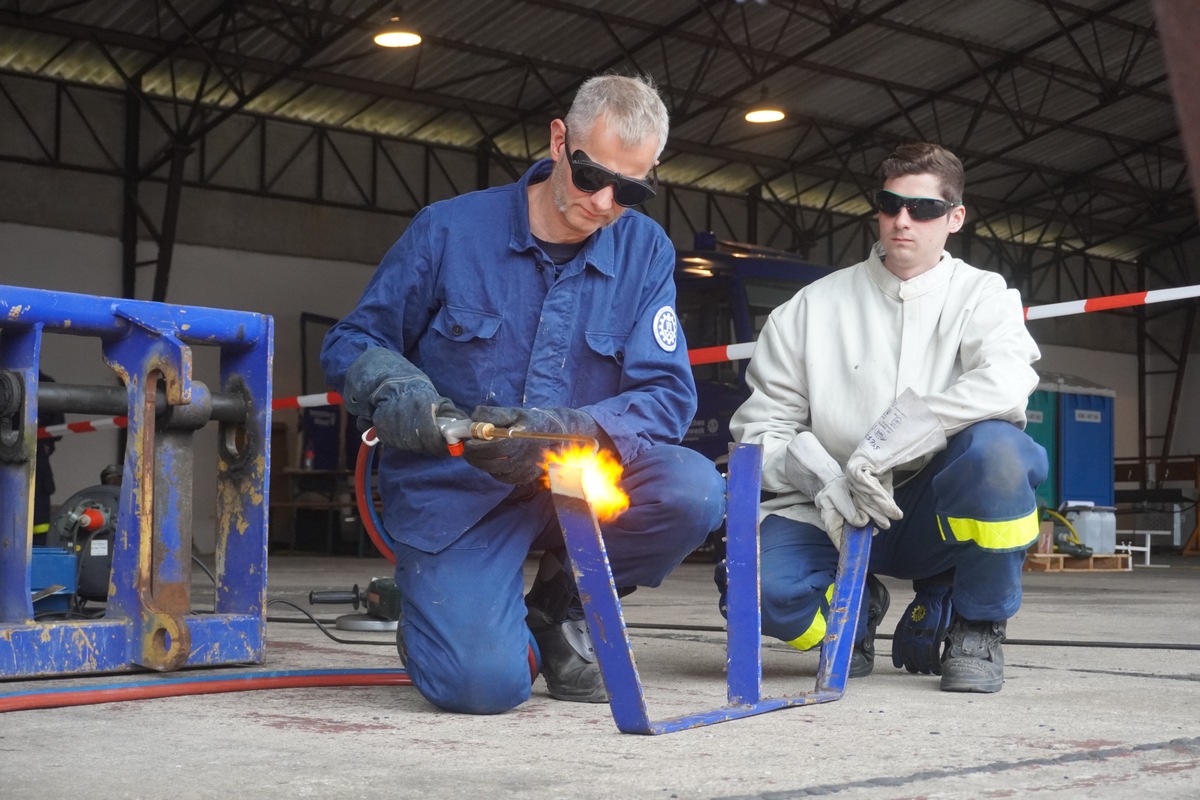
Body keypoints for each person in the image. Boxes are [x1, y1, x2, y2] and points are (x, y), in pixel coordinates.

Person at [321, 74, 726, 715]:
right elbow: (353, 342)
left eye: (630, 189)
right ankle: (453, 624)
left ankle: (559, 604)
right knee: (481, 687)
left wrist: (562, 429)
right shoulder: (450, 232)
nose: (603, 203)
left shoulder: (644, 249)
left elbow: (665, 396)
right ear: (559, 141)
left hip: (576, 480)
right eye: (592, 177)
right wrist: (400, 390)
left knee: (694, 490)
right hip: (459, 493)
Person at [727, 142, 1048, 693]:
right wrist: (820, 475)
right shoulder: (808, 310)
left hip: (932, 508)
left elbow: (1007, 384)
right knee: (753, 588)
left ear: (955, 218)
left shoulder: (984, 296)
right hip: (831, 508)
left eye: (922, 209)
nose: (903, 221)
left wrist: (895, 440)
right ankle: (850, 615)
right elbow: (758, 431)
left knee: (1000, 455)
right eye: (889, 205)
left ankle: (977, 621)